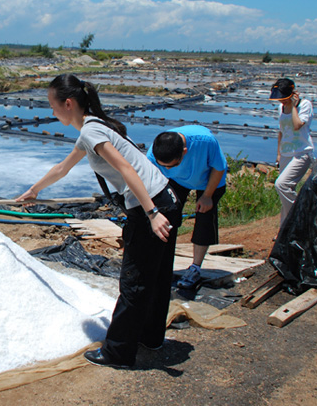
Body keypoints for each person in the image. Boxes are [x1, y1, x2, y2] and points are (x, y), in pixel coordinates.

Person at [16, 74, 181, 369]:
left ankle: (117, 353)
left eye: (53, 106)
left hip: (152, 206)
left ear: (68, 104)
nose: (52, 113)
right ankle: (150, 337)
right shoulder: (93, 128)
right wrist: (35, 190)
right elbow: (62, 168)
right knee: (155, 277)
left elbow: (126, 168)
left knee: (134, 282)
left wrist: (152, 214)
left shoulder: (92, 132)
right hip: (164, 195)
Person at [147, 126, 227, 289]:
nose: (167, 168)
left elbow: (219, 167)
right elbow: (150, 178)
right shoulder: (154, 153)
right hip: (177, 181)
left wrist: (207, 196)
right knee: (167, 218)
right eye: (164, 166)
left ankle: (195, 268)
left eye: (172, 165)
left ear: (184, 152)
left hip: (209, 180)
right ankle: (163, 264)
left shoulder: (205, 142)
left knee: (204, 217)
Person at [269, 78, 313, 231]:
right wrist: (279, 154)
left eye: (284, 97)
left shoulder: (304, 105)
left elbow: (297, 125)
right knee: (285, 194)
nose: (281, 101)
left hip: (301, 153)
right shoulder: (280, 108)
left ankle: (304, 216)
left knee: (281, 185)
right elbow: (281, 131)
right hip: (286, 153)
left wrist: (294, 107)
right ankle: (284, 231)